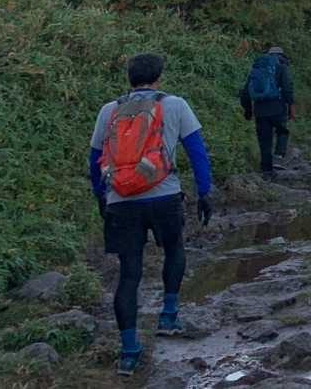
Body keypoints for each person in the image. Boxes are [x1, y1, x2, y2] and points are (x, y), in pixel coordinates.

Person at [88, 54, 213, 378]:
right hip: (164, 195)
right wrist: (204, 191)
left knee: (129, 273)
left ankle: (129, 352)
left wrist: (102, 195)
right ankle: (168, 315)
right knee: (174, 250)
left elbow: (95, 158)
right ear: (159, 78)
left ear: (129, 79)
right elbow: (196, 150)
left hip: (120, 200)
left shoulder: (109, 110)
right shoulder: (175, 105)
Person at [239, 46, 295, 178]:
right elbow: (287, 88)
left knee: (264, 140)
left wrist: (248, 111)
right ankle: (278, 157)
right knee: (282, 131)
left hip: (260, 110)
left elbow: (245, 93)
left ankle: (266, 171)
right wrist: (291, 106)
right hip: (278, 107)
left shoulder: (257, 68)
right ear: (281, 55)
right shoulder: (282, 67)